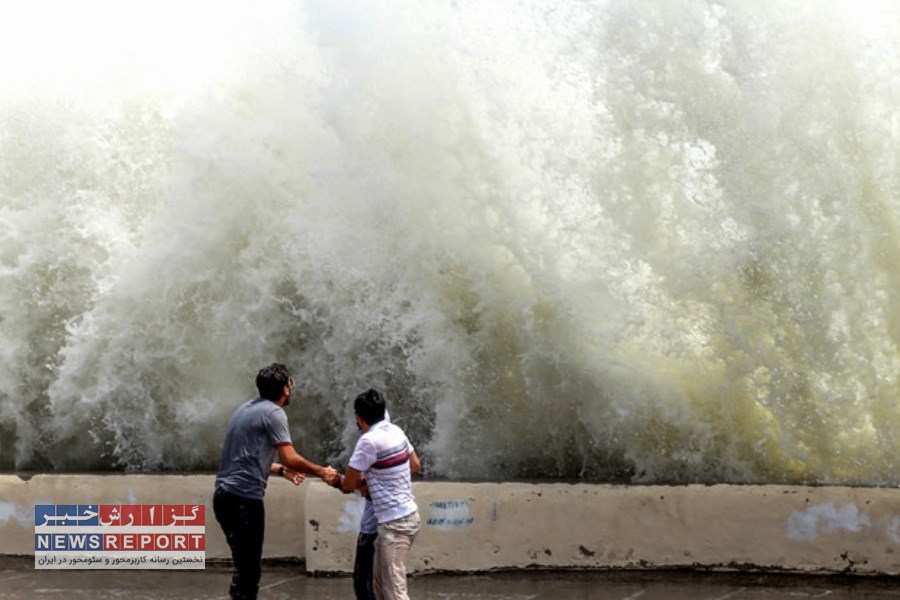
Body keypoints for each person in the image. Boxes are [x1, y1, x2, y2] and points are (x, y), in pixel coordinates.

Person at [213, 363, 339, 600]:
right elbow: (290, 457)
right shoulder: (274, 413)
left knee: (245, 568)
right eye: (291, 382)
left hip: (224, 497)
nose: (292, 386)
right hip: (243, 500)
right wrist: (322, 471)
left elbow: (245, 460)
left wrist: (281, 471)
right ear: (285, 389)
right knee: (249, 571)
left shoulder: (245, 409)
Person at [338, 389, 421, 600]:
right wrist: (383, 476)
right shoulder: (396, 431)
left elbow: (348, 483)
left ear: (359, 418)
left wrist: (369, 479)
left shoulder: (368, 441)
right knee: (381, 587)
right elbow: (415, 465)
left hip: (394, 524)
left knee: (395, 592)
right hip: (406, 517)